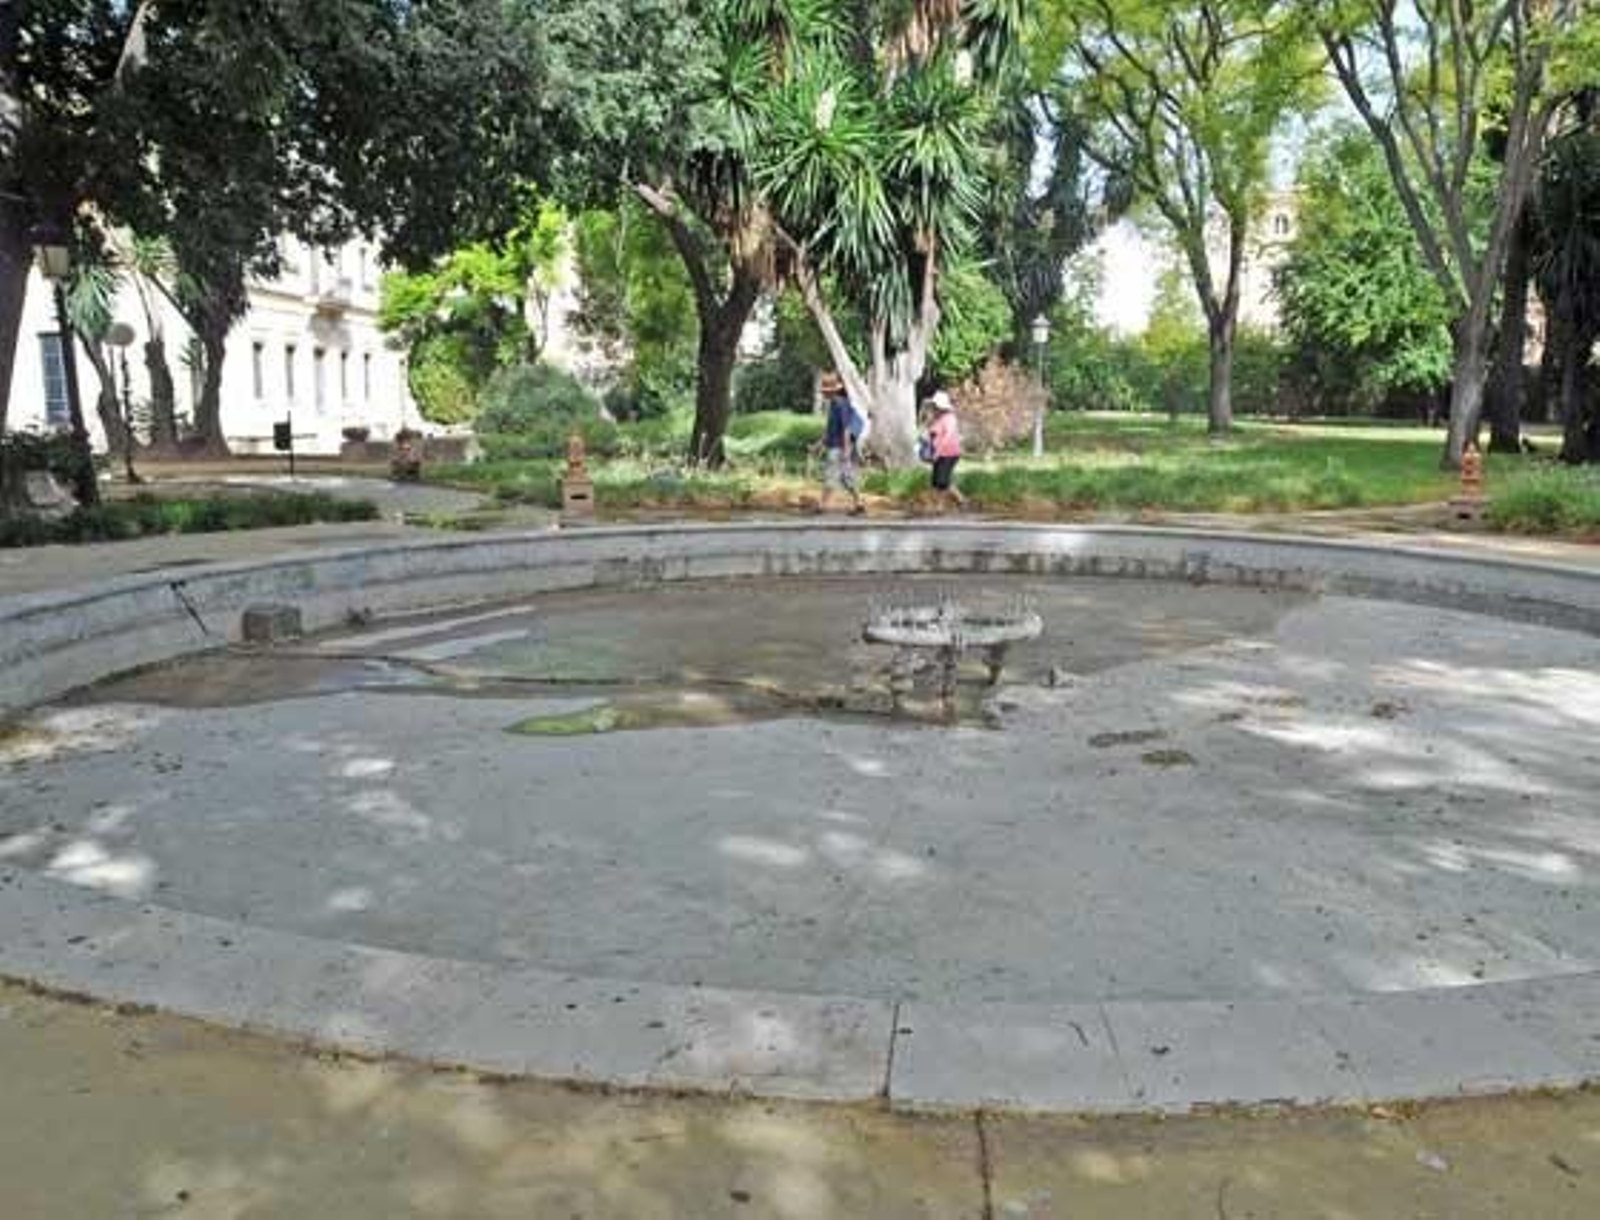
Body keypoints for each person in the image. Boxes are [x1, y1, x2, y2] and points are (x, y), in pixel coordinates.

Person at [815, 371, 867, 515]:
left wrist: (847, 449)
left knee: (831, 475)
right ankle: (859, 503)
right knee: (846, 477)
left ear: (831, 391)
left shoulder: (840, 403)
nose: (824, 393)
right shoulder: (834, 404)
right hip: (835, 446)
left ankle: (822, 505)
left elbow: (846, 429)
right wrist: (819, 445)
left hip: (838, 447)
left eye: (825, 390)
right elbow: (830, 430)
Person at [923, 390, 964, 509]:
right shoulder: (938, 419)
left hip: (949, 454)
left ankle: (958, 501)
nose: (934, 408)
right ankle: (938, 505)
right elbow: (931, 434)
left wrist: (937, 452)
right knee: (936, 482)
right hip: (939, 453)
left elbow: (947, 438)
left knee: (943, 482)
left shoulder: (950, 419)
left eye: (935, 406)